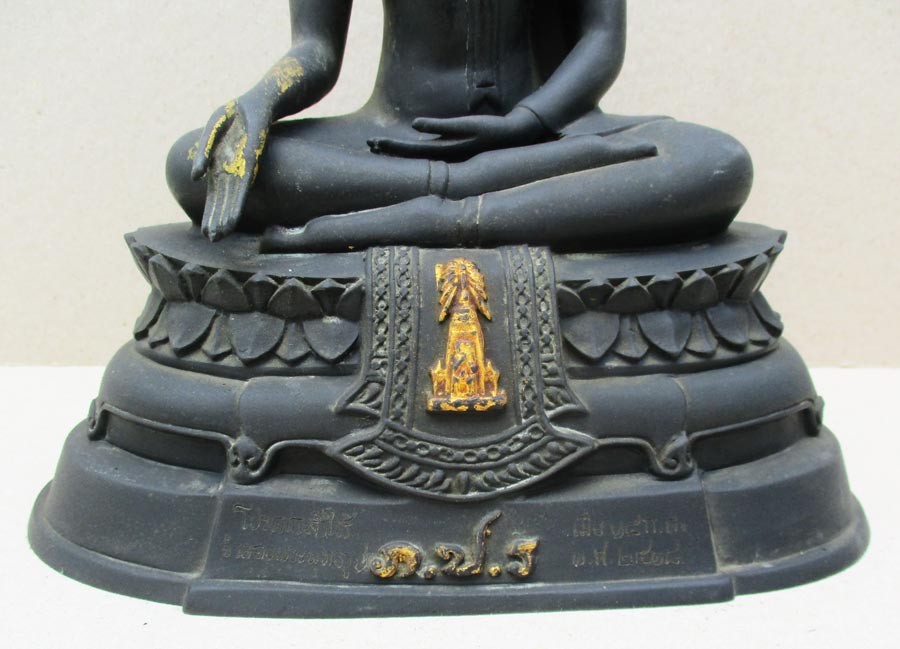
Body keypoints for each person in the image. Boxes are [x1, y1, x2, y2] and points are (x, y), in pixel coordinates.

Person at [166, 0, 753, 251]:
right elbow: (315, 48)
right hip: (394, 140)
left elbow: (601, 41)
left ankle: (440, 215)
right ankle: (467, 196)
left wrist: (527, 121)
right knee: (196, 159)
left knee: (714, 160)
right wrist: (261, 99)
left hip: (551, 134)